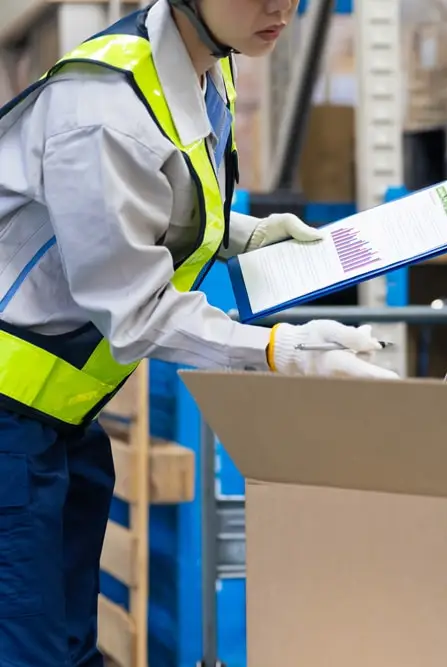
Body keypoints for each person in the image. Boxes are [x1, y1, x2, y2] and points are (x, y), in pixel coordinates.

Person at [0, 0, 399, 663]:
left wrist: (242, 234)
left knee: (69, 644)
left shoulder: (210, 62)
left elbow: (140, 204)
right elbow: (135, 312)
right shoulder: (103, 109)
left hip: (60, 414)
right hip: (11, 422)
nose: (281, 7)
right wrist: (284, 350)